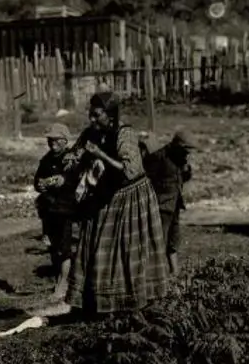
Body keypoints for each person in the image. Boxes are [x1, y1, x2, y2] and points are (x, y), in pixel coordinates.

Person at [62, 92, 170, 315]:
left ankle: (132, 301)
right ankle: (95, 301)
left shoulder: (125, 134)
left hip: (131, 197)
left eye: (97, 115)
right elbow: (77, 152)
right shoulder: (90, 133)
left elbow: (129, 170)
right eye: (90, 114)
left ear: (110, 114)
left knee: (128, 250)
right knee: (98, 247)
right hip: (106, 197)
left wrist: (100, 154)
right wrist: (70, 159)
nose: (92, 119)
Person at [34, 123, 88, 297]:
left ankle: (63, 283)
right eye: (50, 140)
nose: (52, 143)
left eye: (56, 140)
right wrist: (40, 185)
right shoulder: (46, 159)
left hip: (65, 209)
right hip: (49, 209)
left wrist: (64, 180)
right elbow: (37, 180)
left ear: (65, 141)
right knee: (52, 244)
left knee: (63, 247)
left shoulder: (71, 160)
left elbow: (77, 181)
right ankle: (59, 277)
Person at [143, 131, 195, 275]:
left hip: (175, 205)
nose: (187, 155)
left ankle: (174, 273)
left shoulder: (180, 159)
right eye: (185, 151)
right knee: (159, 241)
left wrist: (187, 171)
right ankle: (156, 276)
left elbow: (181, 179)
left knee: (173, 241)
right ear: (177, 146)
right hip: (161, 207)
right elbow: (146, 180)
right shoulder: (159, 157)